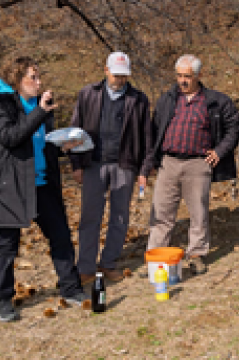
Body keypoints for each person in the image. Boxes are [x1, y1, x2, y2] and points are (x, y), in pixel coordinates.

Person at [0, 56, 87, 322]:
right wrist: (40, 111)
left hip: (43, 183)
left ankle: (71, 288)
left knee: (60, 236)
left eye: (39, 77)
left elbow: (39, 144)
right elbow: (11, 137)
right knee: (7, 244)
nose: (39, 83)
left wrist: (62, 146)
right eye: (33, 78)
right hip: (12, 185)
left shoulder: (40, 107)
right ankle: (2, 298)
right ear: (17, 80)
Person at [147, 54, 239, 275]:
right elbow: (155, 129)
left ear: (199, 75)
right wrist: (151, 160)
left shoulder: (216, 101)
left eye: (187, 76)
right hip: (168, 162)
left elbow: (234, 127)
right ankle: (156, 256)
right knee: (161, 212)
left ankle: (197, 254)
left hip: (198, 163)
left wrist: (219, 151)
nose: (182, 81)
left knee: (198, 213)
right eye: (179, 76)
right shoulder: (167, 99)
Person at [69, 52, 154, 284]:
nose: (120, 80)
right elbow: (74, 132)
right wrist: (76, 164)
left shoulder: (138, 99)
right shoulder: (88, 94)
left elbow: (147, 137)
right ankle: (85, 267)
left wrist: (144, 169)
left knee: (119, 216)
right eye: (116, 75)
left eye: (124, 76)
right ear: (105, 71)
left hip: (124, 165)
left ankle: (109, 262)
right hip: (93, 164)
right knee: (90, 216)